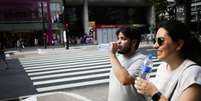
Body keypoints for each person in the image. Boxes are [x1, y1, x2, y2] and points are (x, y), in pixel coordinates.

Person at [134, 20, 201, 101]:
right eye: (154, 41)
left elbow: (155, 94)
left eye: (160, 41)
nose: (155, 45)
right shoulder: (162, 66)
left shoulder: (193, 73)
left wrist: (154, 93)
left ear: (179, 44)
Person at [108, 27, 146, 101]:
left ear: (134, 42)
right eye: (118, 38)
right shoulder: (118, 57)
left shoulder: (142, 60)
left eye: (123, 39)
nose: (118, 42)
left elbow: (125, 80)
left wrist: (112, 55)